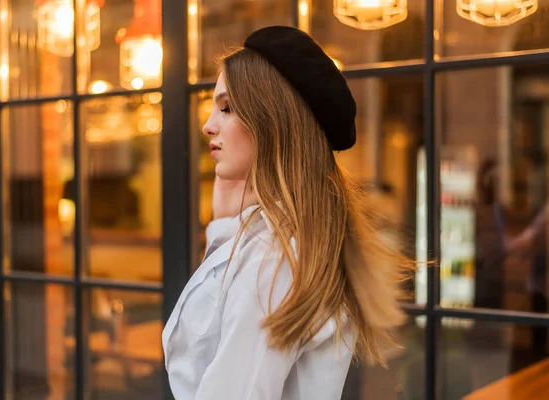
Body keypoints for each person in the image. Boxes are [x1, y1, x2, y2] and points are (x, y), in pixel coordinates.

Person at [161, 26, 413, 400]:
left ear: (271, 122)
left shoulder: (273, 260)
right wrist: (223, 223)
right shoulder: (279, 243)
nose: (208, 125)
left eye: (227, 108)